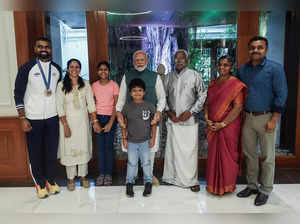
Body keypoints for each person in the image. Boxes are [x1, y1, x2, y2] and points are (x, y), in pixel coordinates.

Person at [237, 36, 288, 206]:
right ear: (249, 49)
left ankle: (265, 190)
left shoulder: (275, 69)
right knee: (250, 154)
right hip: (248, 118)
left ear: (266, 50)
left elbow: (282, 95)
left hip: (267, 117)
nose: (255, 50)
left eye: (259, 47)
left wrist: (274, 119)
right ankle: (252, 186)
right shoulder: (243, 70)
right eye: (252, 47)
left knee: (267, 157)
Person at [14, 37, 62, 198]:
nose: (44, 49)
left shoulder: (56, 69)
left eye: (47, 47)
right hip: (32, 118)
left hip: (52, 118)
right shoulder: (26, 68)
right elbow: (18, 93)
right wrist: (22, 118)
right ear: (35, 48)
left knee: (51, 152)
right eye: (40, 46)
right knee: (35, 152)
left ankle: (50, 180)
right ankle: (40, 183)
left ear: (51, 49)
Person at [116, 50, 166, 185]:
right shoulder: (127, 75)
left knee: (150, 148)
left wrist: (158, 112)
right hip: (131, 120)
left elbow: (162, 98)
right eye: (136, 60)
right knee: (132, 150)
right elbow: (121, 98)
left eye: (142, 59)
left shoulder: (154, 76)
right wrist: (118, 112)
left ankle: (149, 175)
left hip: (150, 120)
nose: (139, 62)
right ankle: (134, 174)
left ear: (147, 61)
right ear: (133, 62)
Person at [162, 49, 207, 192]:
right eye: (176, 58)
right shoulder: (168, 77)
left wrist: (191, 111)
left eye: (182, 58)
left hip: (189, 121)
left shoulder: (195, 75)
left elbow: (203, 96)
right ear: (173, 60)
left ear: (187, 60)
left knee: (189, 152)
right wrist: (169, 111)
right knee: (172, 151)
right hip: (173, 120)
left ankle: (191, 180)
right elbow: (162, 96)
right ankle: (171, 178)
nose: (179, 60)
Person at [204, 55, 248, 195]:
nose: (222, 67)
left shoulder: (236, 85)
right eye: (220, 64)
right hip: (213, 126)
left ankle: (227, 186)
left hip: (228, 126)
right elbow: (207, 103)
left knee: (228, 156)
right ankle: (213, 185)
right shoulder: (213, 83)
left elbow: (238, 107)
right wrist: (206, 117)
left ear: (231, 67)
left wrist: (222, 123)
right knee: (213, 156)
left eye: (226, 65)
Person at [56, 59, 101, 191]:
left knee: (83, 146)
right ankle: (70, 179)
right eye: (71, 67)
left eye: (77, 67)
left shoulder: (85, 84)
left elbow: (91, 104)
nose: (74, 69)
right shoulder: (61, 85)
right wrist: (65, 125)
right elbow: (59, 106)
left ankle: (83, 177)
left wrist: (95, 122)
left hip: (83, 123)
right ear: (68, 69)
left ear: (80, 69)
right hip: (66, 122)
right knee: (69, 148)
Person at [120, 78, 157, 197]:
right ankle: (129, 183)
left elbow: (154, 124)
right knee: (132, 163)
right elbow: (124, 124)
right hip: (131, 141)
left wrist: (153, 138)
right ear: (130, 93)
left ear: (144, 92)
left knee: (146, 162)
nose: (137, 93)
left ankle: (148, 182)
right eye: (134, 91)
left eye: (140, 90)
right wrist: (124, 138)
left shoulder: (149, 106)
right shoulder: (127, 107)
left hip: (145, 141)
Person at [92, 61, 119, 186]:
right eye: (101, 69)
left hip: (110, 118)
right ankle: (101, 173)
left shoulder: (114, 85)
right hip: (97, 118)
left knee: (108, 148)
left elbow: (116, 105)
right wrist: (94, 121)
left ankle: (108, 174)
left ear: (109, 71)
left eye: (106, 69)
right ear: (98, 72)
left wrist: (111, 122)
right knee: (100, 148)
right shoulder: (94, 86)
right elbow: (91, 105)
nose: (103, 72)